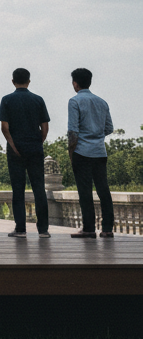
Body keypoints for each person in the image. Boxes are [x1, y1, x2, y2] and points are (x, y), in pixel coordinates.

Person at [0, 68, 50, 238]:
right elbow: (45, 127)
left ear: (13, 81)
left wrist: (13, 145)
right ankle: (43, 230)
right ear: (29, 81)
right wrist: (37, 143)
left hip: (15, 150)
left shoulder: (6, 100)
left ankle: (20, 228)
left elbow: (4, 128)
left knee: (18, 190)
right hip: (34, 148)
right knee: (39, 189)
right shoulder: (38, 100)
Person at [67, 67, 115, 238]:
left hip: (82, 152)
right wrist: (97, 135)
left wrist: (71, 152)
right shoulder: (102, 102)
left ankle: (88, 228)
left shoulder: (75, 101)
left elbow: (73, 132)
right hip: (100, 152)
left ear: (75, 83)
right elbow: (109, 128)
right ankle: (108, 228)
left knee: (85, 191)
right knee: (103, 190)